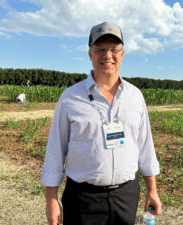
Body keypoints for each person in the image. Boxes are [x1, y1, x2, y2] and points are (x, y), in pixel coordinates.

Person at [41, 21, 162, 225]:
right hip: (82, 198)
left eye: (114, 49)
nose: (108, 56)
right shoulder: (70, 98)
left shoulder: (135, 96)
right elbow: (55, 151)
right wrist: (51, 199)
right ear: (90, 54)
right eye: (100, 49)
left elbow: (145, 147)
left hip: (126, 196)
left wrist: (152, 190)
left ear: (122, 54)